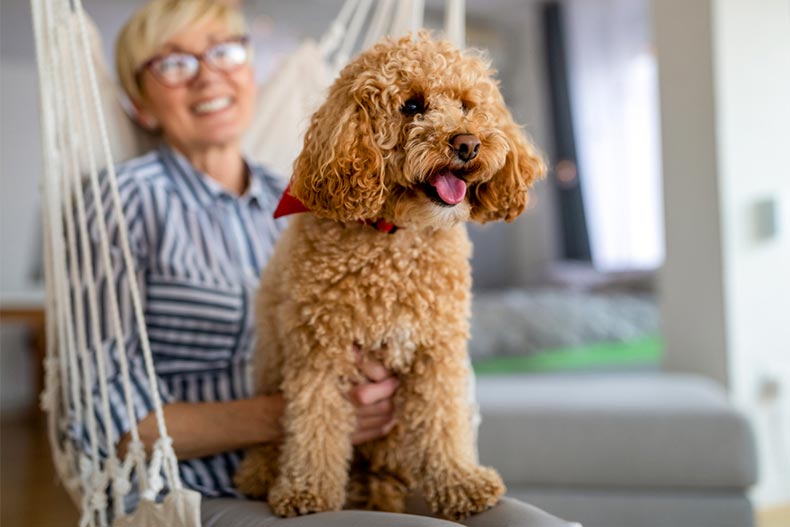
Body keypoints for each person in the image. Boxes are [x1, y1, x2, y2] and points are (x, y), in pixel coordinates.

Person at [81, 0, 575, 525]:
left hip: (388, 460)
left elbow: (436, 362)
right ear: (139, 102)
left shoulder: (285, 194)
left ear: (251, 67)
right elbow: (104, 421)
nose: (209, 77)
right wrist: (298, 416)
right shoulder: (122, 203)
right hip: (200, 487)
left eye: (225, 51)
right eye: (174, 64)